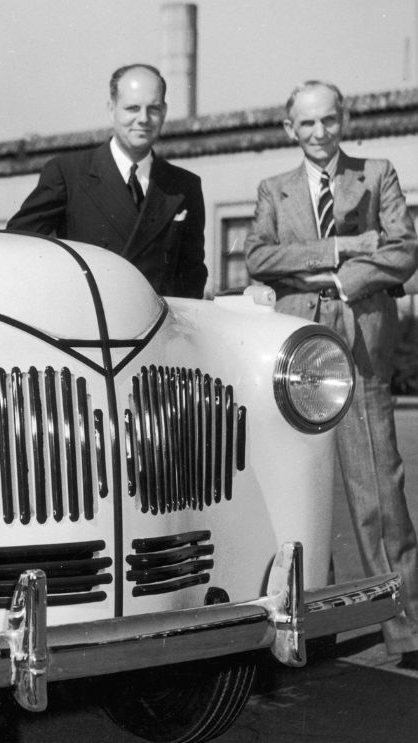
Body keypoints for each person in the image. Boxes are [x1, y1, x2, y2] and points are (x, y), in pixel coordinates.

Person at [244, 80, 418, 669]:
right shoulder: (274, 190)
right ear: (289, 128)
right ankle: (313, 627)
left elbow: (403, 248)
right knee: (299, 488)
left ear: (345, 120)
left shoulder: (378, 174)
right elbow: (259, 257)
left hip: (362, 344)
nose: (319, 133)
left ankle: (407, 630)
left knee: (378, 490)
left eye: (329, 120)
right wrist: (341, 247)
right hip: (295, 350)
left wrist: (343, 281)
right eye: (307, 123)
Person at [7, 63, 207, 298]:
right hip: (90, 315)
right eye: (132, 108)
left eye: (153, 109)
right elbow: (18, 248)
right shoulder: (68, 174)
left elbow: (192, 275)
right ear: (112, 109)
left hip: (155, 318)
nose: (143, 119)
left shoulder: (184, 186)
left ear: (164, 111)